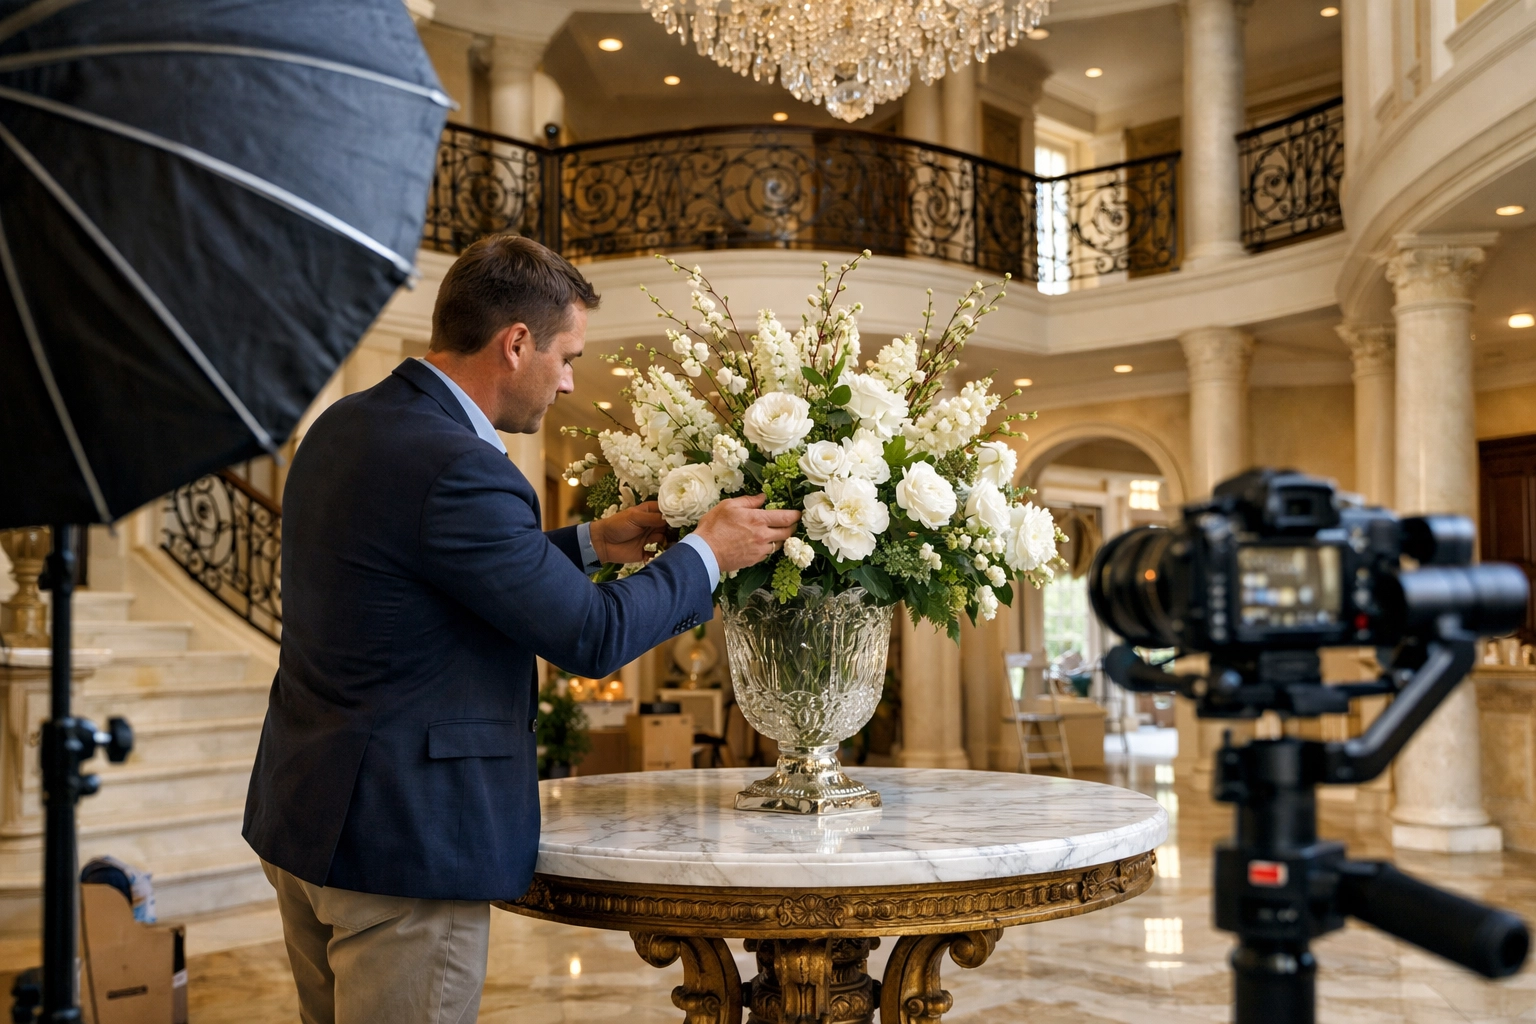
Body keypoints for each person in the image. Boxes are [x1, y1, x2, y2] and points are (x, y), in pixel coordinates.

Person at [242, 234, 798, 1024]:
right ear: (515, 344)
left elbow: (422, 568)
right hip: (407, 843)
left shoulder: (347, 425)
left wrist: (587, 543)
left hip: (308, 817)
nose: (569, 380)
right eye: (566, 356)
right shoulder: (463, 465)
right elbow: (592, 637)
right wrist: (709, 553)